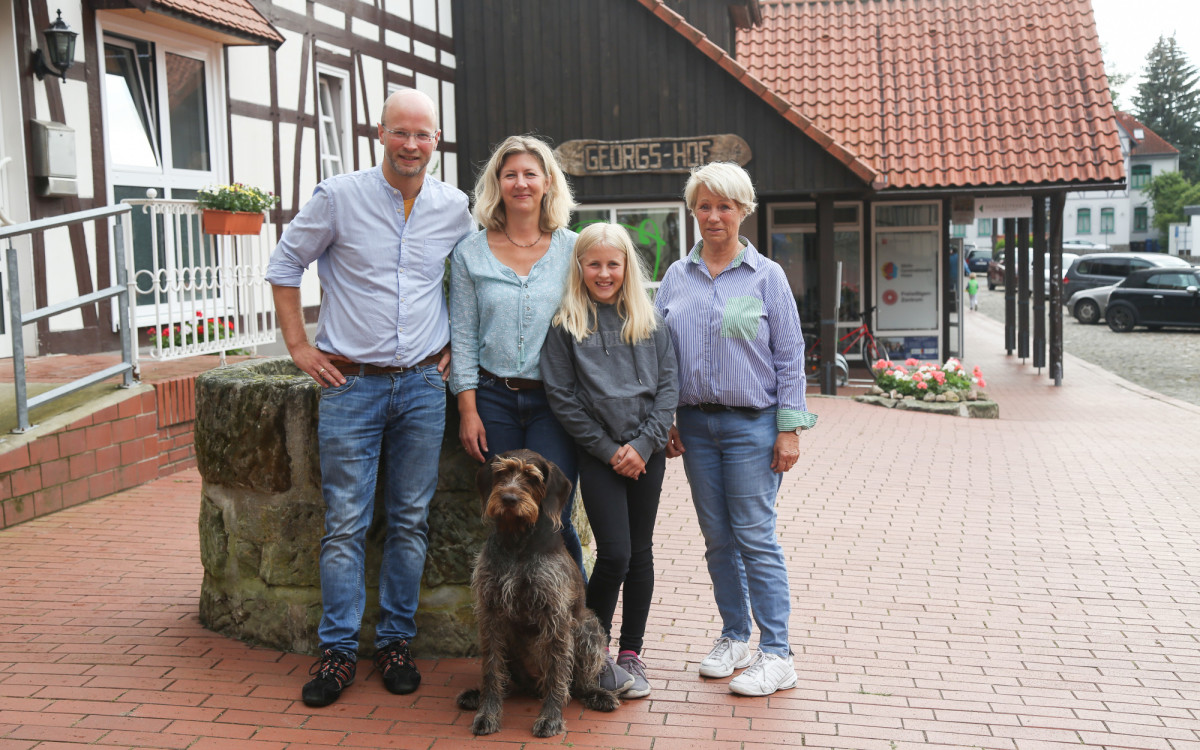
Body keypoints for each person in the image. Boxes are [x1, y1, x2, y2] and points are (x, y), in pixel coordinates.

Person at [265, 89, 474, 708]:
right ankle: (336, 652)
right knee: (345, 525)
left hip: (421, 387)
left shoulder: (453, 207)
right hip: (349, 384)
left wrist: (459, 351)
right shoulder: (338, 197)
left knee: (411, 520)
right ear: (379, 133)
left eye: (424, 135)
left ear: (437, 141)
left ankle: (396, 643)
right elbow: (284, 266)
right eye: (401, 133)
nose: (412, 145)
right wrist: (300, 346)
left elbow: (471, 280)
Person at [654, 162, 817, 697]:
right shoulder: (677, 277)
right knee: (717, 539)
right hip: (696, 427)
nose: (714, 216)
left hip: (753, 426)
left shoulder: (767, 277)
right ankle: (733, 637)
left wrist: (789, 429)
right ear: (693, 211)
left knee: (755, 537)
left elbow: (790, 358)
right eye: (705, 205)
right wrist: (668, 418)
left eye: (725, 206)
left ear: (744, 210)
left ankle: (777, 653)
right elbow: (659, 355)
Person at [542, 223, 679, 699]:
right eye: (594, 264)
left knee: (640, 551)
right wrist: (608, 450)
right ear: (579, 267)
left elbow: (668, 390)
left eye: (613, 264)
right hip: (600, 456)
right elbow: (562, 398)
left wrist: (643, 446)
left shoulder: (651, 321)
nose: (604, 273)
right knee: (615, 551)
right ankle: (593, 653)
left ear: (627, 267)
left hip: (647, 453)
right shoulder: (566, 325)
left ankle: (631, 654)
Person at [448, 135, 585, 574]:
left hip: (556, 402)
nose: (521, 183)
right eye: (511, 175)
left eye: (530, 174)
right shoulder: (470, 252)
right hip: (494, 399)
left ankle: (578, 628)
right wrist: (468, 410)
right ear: (497, 183)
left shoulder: (573, 250)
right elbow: (464, 336)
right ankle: (511, 627)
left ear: (548, 183)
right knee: (505, 519)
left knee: (554, 520)